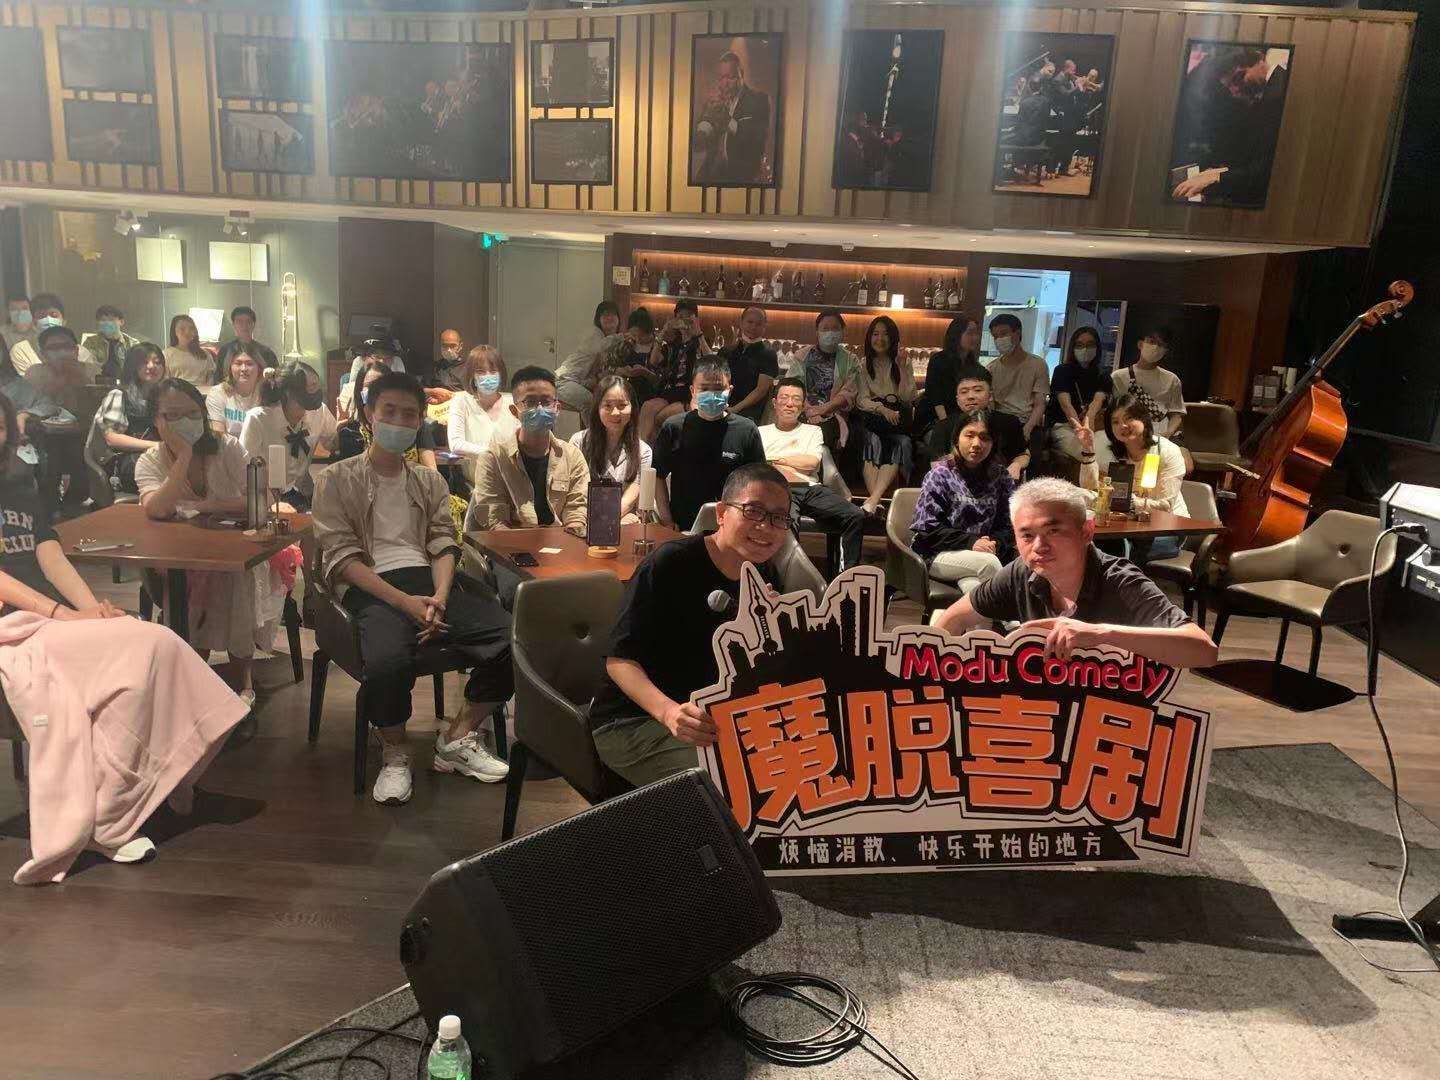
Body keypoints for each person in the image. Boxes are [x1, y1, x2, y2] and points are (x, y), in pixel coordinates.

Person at [0, 389, 248, 885]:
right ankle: (108, 819)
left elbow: (49, 553)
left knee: (155, 642)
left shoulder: (18, 481)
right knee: (140, 655)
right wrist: (61, 614)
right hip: (15, 626)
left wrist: (89, 610)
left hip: (52, 618)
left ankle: (167, 773)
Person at [312, 371, 514, 805]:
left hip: (428, 581)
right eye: (389, 411)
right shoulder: (336, 479)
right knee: (387, 662)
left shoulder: (429, 481)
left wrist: (439, 596)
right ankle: (395, 751)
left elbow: (443, 542)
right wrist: (405, 604)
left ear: (420, 420)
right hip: (371, 586)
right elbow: (342, 558)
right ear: (369, 414)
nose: (399, 422)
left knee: (514, 639)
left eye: (409, 415)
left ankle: (457, 737)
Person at [589, 462, 790, 786]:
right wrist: (669, 713)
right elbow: (619, 661)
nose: (765, 526)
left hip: (714, 718)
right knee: (742, 782)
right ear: (722, 513)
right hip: (632, 721)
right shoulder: (672, 562)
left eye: (778, 517)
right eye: (753, 511)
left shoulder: (764, 575)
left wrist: (772, 629)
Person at [934, 477, 1219, 669]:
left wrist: (1100, 634)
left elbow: (1204, 651)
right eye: (1027, 535)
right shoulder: (1020, 572)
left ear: (1086, 532)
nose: (1039, 546)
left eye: (1053, 531)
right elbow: (953, 618)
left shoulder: (1120, 580)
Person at [137, 378, 273, 705]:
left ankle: (243, 681)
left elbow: (262, 500)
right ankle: (192, 681)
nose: (184, 422)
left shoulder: (228, 448)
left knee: (235, 582)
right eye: (172, 415)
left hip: (235, 551)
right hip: (179, 559)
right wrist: (183, 456)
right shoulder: (150, 461)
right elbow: (157, 508)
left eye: (192, 413)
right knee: (188, 597)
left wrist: (206, 505)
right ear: (156, 420)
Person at [760, 377, 864, 574]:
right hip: (778, 490)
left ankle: (847, 576)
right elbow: (759, 466)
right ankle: (787, 577)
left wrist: (774, 459)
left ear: (802, 405)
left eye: (796, 399)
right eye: (784, 398)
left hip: (810, 489)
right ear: (775, 402)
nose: (790, 404)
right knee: (787, 523)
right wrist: (792, 460)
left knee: (855, 515)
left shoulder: (813, 431)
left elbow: (810, 463)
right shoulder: (760, 432)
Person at [469, 365, 589, 532]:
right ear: (514, 411)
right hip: (511, 543)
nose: (539, 409)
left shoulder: (572, 456)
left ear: (557, 408)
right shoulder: (493, 459)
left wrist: (569, 542)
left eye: (546, 402)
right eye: (530, 402)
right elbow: (496, 522)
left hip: (561, 541)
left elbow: (576, 513)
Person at [652, 359, 765, 533]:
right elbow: (658, 475)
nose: (712, 394)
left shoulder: (747, 430)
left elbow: (757, 482)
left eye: (719, 389)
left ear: (730, 390)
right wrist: (667, 520)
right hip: (683, 527)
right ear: (692, 391)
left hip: (732, 528)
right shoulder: (674, 427)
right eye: (704, 389)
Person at [1076, 390, 1189, 561]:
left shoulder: (1167, 451)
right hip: (1124, 527)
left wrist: (1128, 502)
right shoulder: (1110, 451)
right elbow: (1090, 488)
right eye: (1115, 422)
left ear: (1144, 419)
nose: (1122, 426)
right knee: (1089, 541)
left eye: (1129, 418)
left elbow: (1165, 506)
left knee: (1117, 549)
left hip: (1166, 528)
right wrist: (1088, 450)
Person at [910, 410, 1015, 590]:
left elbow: (1009, 525)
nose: (976, 444)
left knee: (974, 588)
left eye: (984, 438)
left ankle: (971, 609)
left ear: (993, 443)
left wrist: (993, 544)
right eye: (969, 435)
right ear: (956, 439)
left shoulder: (1001, 477)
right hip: (937, 553)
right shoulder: (940, 474)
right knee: (988, 564)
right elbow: (927, 529)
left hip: (983, 552)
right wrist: (972, 542)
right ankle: (1011, 610)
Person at [240, 360, 326, 512]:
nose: (315, 392)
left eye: (316, 386)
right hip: (267, 499)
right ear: (288, 392)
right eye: (310, 387)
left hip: (302, 497)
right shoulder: (258, 419)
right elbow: (245, 470)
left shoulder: (320, 412)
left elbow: (333, 441)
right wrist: (271, 502)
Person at [853, 316, 916, 517]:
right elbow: (862, 399)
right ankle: (876, 500)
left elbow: (908, 397)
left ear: (893, 338)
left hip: (897, 423)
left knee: (901, 443)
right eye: (875, 334)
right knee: (871, 441)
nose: (880, 339)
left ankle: (873, 501)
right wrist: (882, 409)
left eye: (885, 334)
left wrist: (902, 367)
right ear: (869, 337)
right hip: (874, 421)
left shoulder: (904, 362)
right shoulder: (864, 364)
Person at [86, 342, 165, 495]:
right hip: (124, 463)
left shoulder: (163, 397)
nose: (152, 366)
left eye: (157, 362)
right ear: (132, 366)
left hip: (153, 457)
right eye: (144, 362)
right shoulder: (119, 395)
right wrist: (156, 445)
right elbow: (112, 439)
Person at [925, 364, 1029, 480]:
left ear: (990, 395)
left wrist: (1016, 465)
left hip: (1000, 483)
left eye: (978, 390)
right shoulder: (943, 426)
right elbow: (936, 463)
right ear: (957, 399)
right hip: (957, 484)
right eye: (964, 392)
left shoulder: (1009, 422)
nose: (970, 396)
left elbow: (1023, 454)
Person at [572, 375, 652, 522]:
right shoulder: (579, 442)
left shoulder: (643, 450)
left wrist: (609, 519)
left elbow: (633, 492)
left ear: (632, 408)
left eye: (622, 405)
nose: (615, 413)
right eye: (608, 405)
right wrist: (596, 521)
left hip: (622, 517)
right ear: (597, 408)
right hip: (584, 517)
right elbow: (576, 491)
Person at [335, 361, 440, 471]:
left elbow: (431, 469)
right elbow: (350, 473)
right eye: (369, 386)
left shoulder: (414, 426)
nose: (375, 391)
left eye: (381, 386)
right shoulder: (351, 431)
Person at [784, 310, 859, 459]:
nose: (830, 332)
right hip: (801, 411)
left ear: (842, 332)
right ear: (817, 332)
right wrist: (808, 410)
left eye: (835, 328)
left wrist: (822, 410)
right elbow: (792, 386)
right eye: (825, 328)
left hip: (834, 415)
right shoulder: (801, 356)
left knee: (822, 437)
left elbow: (848, 392)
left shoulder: (851, 360)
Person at [691, 50, 771, 185]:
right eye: (721, 78)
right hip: (711, 173)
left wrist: (726, 119)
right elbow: (697, 145)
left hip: (742, 175)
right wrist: (704, 124)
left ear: (741, 75)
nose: (724, 83)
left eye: (730, 77)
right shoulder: (715, 101)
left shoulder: (758, 100)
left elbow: (757, 140)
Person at [638, 299, 710, 442]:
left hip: (688, 394)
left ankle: (651, 450)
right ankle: (640, 451)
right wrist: (662, 333)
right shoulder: (673, 344)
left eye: (688, 316)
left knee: (660, 418)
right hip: (669, 391)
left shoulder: (700, 341)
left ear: (695, 318)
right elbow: (654, 361)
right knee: (647, 407)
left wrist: (698, 334)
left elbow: (711, 362)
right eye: (680, 316)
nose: (684, 320)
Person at [446, 345, 518, 484]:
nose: (488, 376)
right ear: (471, 375)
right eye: (481, 372)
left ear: (501, 373)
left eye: (493, 371)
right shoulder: (461, 400)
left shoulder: (513, 402)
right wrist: (495, 453)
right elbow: (456, 444)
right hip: (474, 484)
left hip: (512, 483)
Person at [987, 313, 1048, 453]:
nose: (999, 339)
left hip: (1027, 422)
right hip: (1000, 423)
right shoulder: (991, 368)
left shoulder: (1038, 365)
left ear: (1018, 333)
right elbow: (990, 405)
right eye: (995, 336)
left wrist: (1027, 430)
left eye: (1004, 333)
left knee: (1034, 446)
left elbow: (1040, 404)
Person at [1108, 327, 1185, 439]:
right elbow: (1112, 412)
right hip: (1128, 434)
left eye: (1161, 344)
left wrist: (1168, 433)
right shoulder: (1118, 377)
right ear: (1140, 344)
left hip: (1159, 436)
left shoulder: (1172, 379)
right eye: (1152, 341)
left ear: (1165, 351)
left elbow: (1176, 414)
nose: (1156, 347)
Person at [1047, 326, 1108, 465]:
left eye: (1090, 345)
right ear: (1072, 348)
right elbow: (1066, 406)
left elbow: (1096, 404)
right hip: (1064, 425)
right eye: (1079, 345)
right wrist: (1080, 430)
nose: (1085, 349)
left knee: (1107, 450)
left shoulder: (1103, 375)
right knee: (1087, 452)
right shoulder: (1062, 371)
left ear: (1097, 348)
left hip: (1093, 425)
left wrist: (1088, 429)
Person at [915, 315, 980, 435]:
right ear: (957, 334)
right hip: (935, 419)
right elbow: (936, 398)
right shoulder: (939, 360)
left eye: (976, 333)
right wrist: (946, 426)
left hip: (961, 421)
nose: (975, 337)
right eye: (970, 333)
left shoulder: (974, 366)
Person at [8, 294, 99, 380]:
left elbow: (89, 381)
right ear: (33, 322)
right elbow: (27, 385)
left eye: (54, 315)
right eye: (41, 316)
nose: (48, 319)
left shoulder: (82, 353)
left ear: (64, 321)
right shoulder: (21, 350)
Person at [555, 300, 622, 416]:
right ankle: (594, 429)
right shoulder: (595, 334)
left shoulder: (610, 340)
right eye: (605, 315)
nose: (609, 318)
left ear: (618, 318)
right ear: (598, 319)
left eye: (613, 314)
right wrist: (621, 336)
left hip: (578, 382)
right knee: (590, 402)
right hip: (564, 380)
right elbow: (599, 348)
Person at [721, 305, 778, 424]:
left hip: (749, 414)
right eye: (750, 322)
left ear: (764, 327)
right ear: (741, 323)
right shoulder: (727, 351)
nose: (753, 327)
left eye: (759, 324)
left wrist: (734, 409)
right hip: (722, 407)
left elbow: (761, 390)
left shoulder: (768, 355)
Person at [338, 338, 407, 419]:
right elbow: (344, 419)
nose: (382, 361)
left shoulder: (401, 393)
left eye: (387, 357)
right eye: (376, 356)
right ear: (364, 358)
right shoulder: (349, 390)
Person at [205, 343, 263, 438]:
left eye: (249, 364)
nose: (244, 369)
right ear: (230, 368)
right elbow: (219, 436)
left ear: (259, 368)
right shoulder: (218, 393)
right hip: (229, 447)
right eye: (238, 363)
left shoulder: (266, 393)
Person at [80, 304, 141, 382]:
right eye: (102, 320)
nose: (107, 323)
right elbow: (86, 368)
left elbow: (138, 369)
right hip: (98, 384)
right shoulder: (90, 342)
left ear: (121, 322)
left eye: (111, 320)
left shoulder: (132, 344)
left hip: (125, 384)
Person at [214, 306, 278, 378]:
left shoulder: (266, 352)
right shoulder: (225, 351)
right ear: (234, 325)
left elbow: (275, 378)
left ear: (253, 325)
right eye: (240, 322)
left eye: (248, 322)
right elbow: (218, 377)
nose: (244, 325)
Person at [163, 313, 216, 388]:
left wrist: (206, 390)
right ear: (174, 332)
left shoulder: (205, 354)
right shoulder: (166, 354)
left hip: (202, 393)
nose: (187, 332)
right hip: (177, 392)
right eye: (182, 329)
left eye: (191, 328)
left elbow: (210, 376)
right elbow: (165, 380)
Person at [430, 327, 467, 394]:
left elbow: (474, 393)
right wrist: (432, 391)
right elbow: (422, 389)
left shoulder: (468, 368)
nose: (448, 350)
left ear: (460, 346)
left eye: (452, 345)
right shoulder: (434, 367)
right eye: (445, 345)